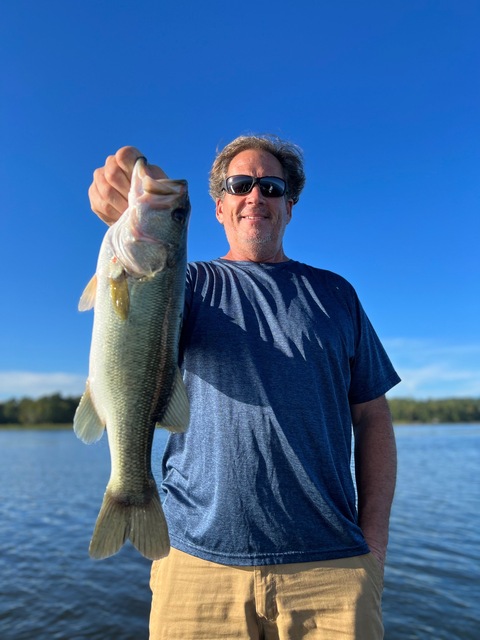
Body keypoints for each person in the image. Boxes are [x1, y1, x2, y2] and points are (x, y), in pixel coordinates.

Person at [88, 135, 400, 640]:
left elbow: (373, 418)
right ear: (219, 207)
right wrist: (129, 182)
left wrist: (375, 546)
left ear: (289, 206)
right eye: (240, 185)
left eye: (271, 187)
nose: (255, 196)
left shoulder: (338, 294)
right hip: (194, 568)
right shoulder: (185, 283)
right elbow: (139, 285)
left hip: (334, 570)